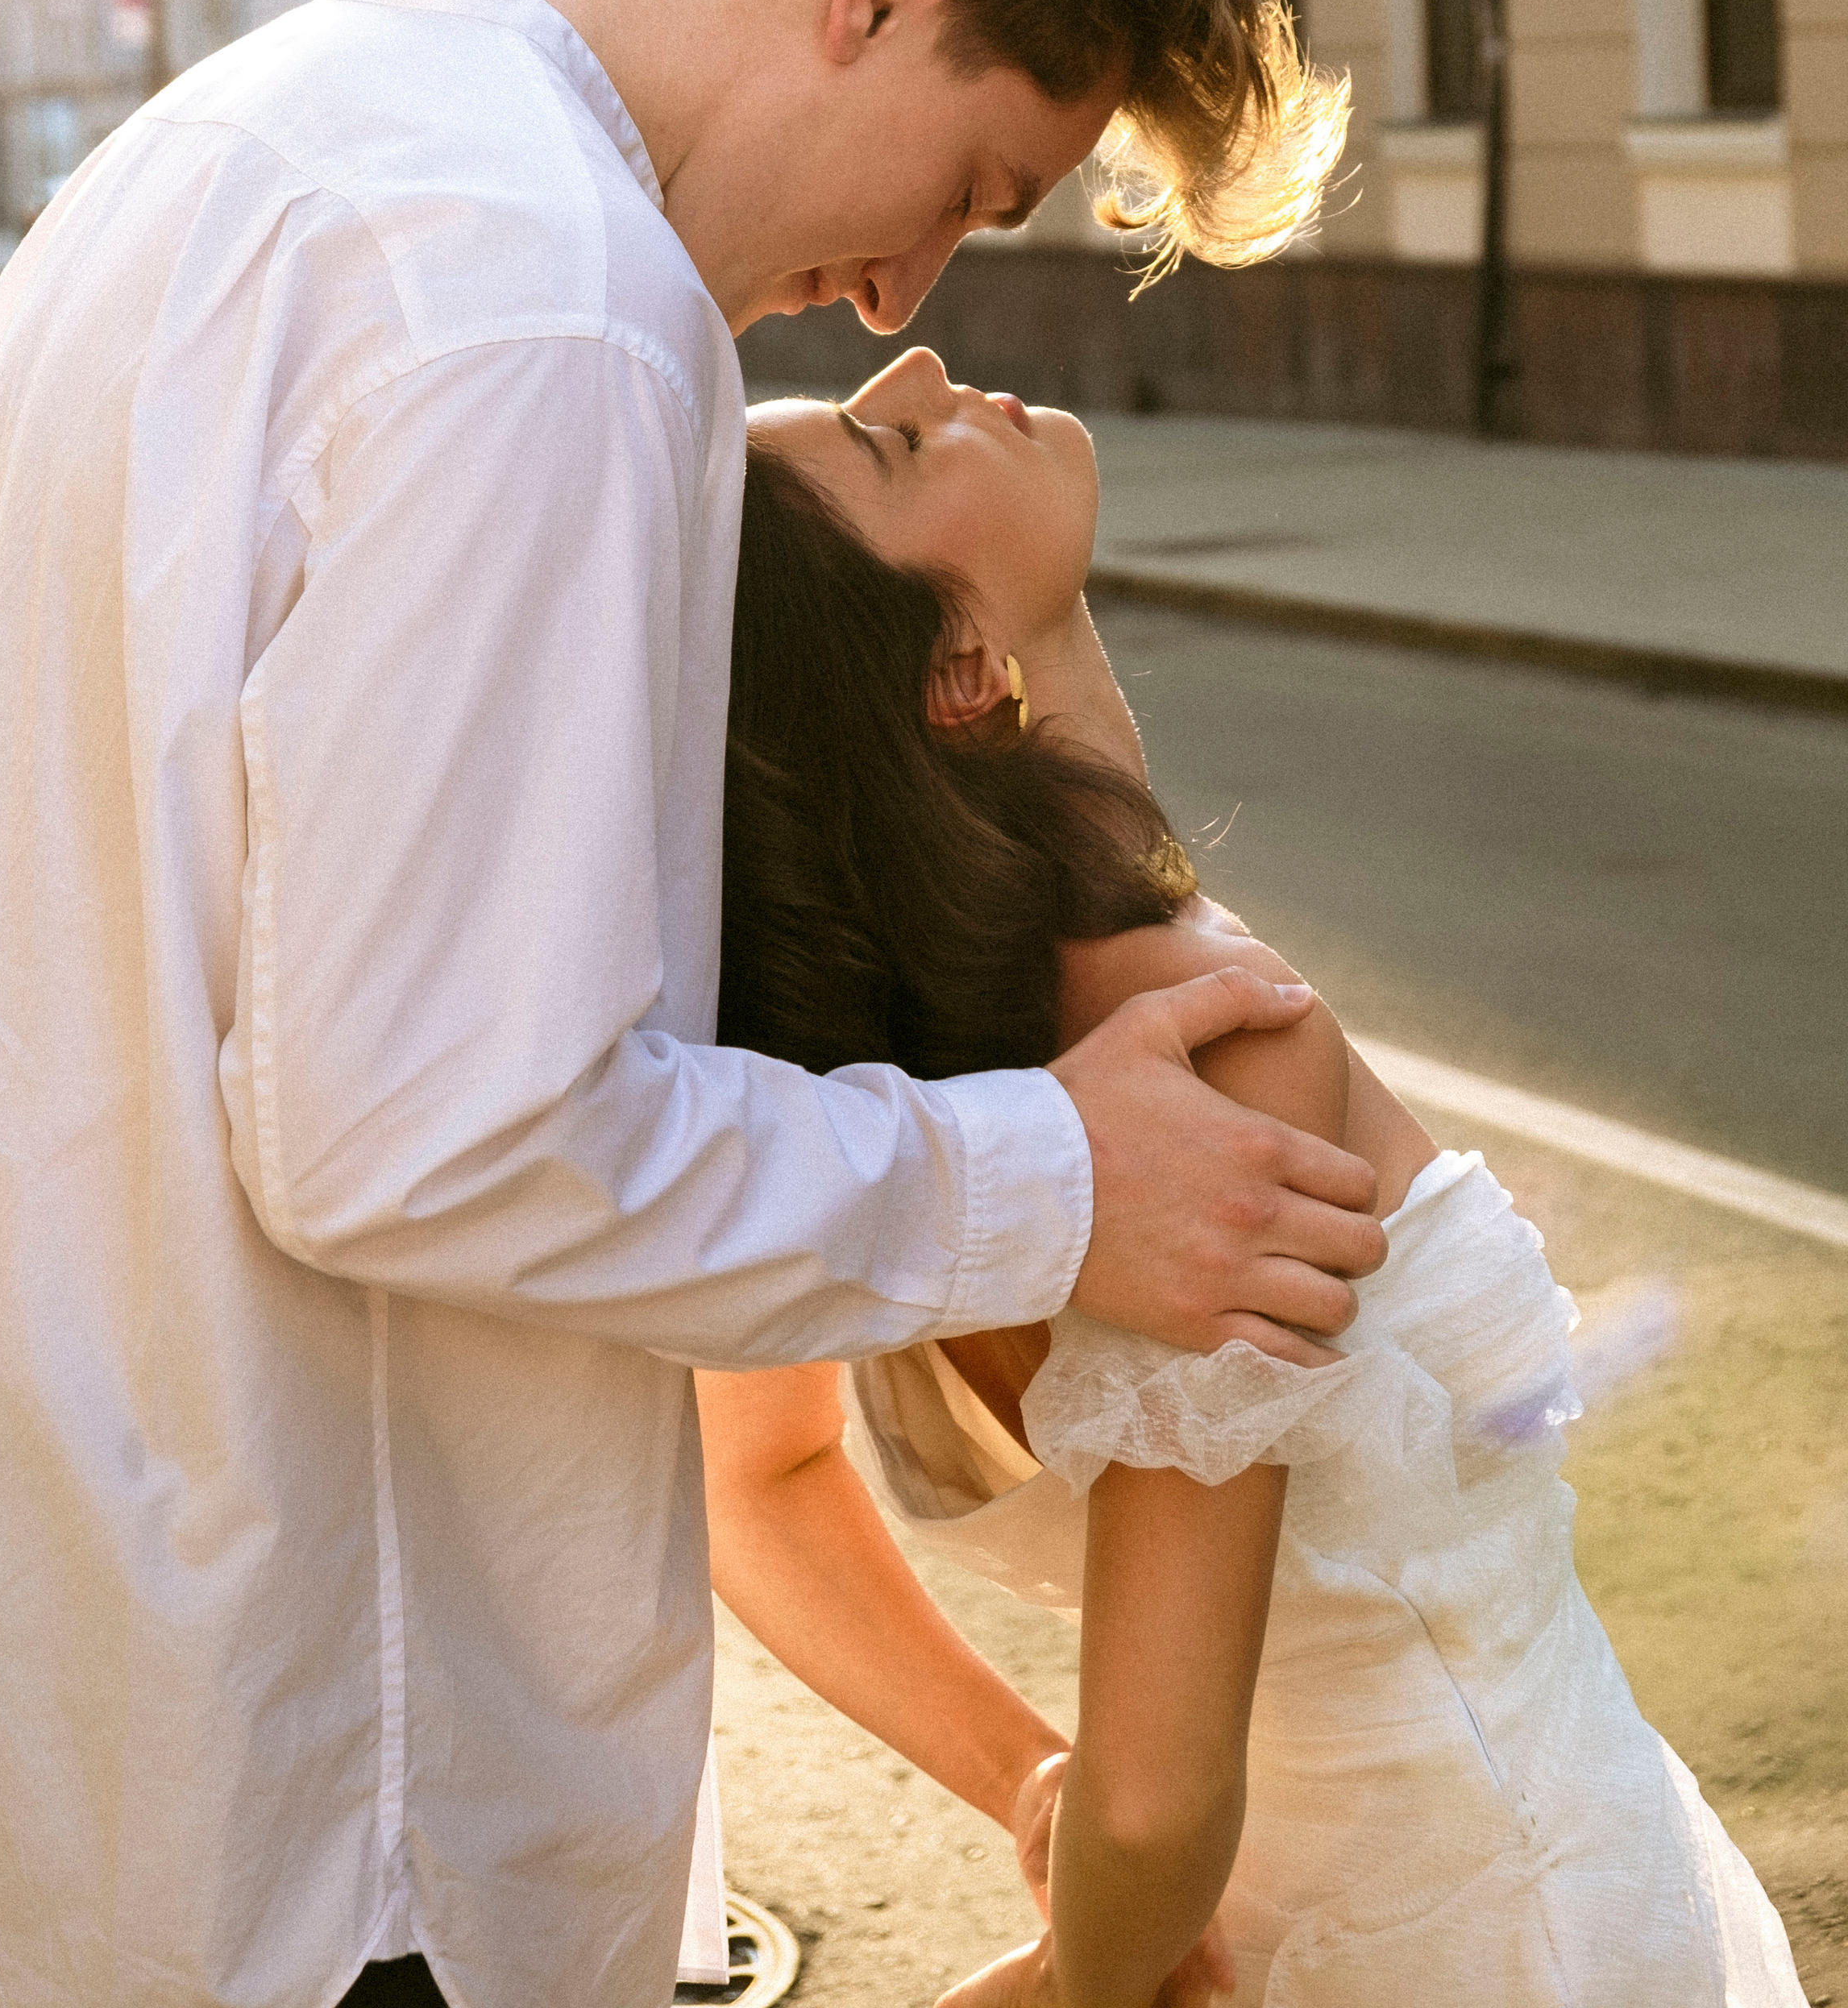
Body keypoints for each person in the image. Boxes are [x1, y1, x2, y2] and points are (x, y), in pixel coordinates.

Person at [0, 0, 1384, 2008]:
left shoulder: (250, 135)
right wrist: (1048, 1182)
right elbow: (425, 1131)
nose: (899, 297)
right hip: (312, 1786)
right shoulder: (550, 306)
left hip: (17, 1665)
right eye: (967, 188)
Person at [696, 347, 1804, 2008]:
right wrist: (1076, 1978)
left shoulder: (871, 1098)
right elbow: (1152, 1802)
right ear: (949, 675)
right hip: (1504, 1937)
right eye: (889, 441)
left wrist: (1023, 1782)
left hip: (1300, 1927)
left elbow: (757, 1486)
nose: (919, 359)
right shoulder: (1204, 1049)